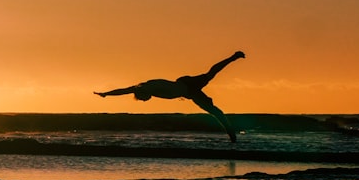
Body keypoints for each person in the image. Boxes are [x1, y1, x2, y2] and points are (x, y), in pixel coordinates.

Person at [94, 51, 246, 142]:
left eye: (142, 99)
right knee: (214, 110)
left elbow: (124, 91)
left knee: (211, 76)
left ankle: (234, 57)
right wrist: (106, 94)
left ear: (143, 94)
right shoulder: (144, 88)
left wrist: (107, 94)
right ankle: (231, 134)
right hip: (189, 92)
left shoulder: (148, 87)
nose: (145, 101)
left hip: (189, 86)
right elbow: (123, 90)